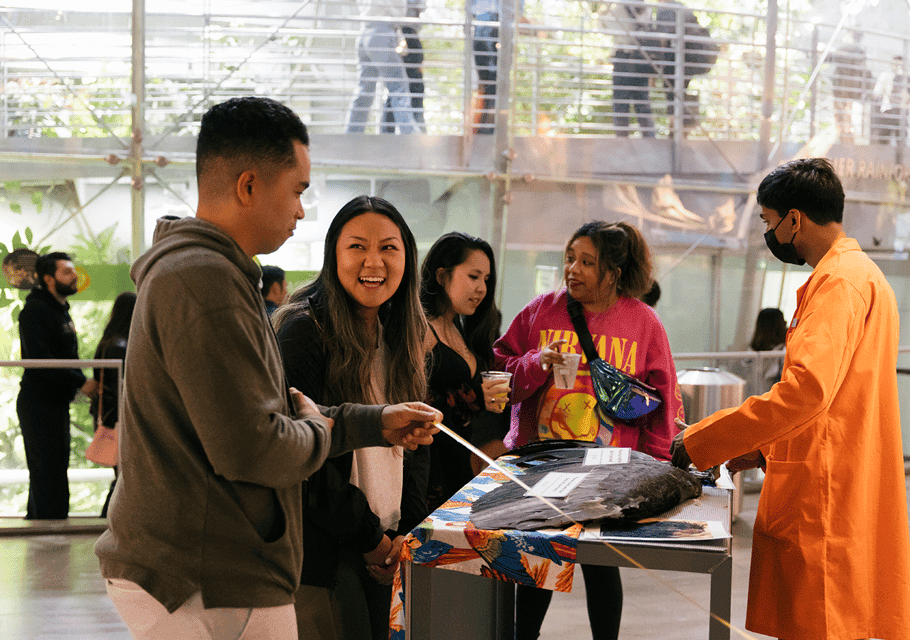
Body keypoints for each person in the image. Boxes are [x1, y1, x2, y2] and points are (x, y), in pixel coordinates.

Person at [94, 97, 440, 640]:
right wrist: (319, 430)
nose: (301, 210)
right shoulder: (205, 282)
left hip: (220, 571)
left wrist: (371, 422)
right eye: (298, 190)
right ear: (249, 185)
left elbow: (278, 417)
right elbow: (255, 447)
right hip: (206, 578)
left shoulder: (215, 274)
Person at [671, 158, 910, 640]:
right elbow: (839, 403)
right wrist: (760, 448)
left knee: (820, 622)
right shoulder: (863, 277)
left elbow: (808, 390)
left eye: (767, 221)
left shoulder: (839, 282)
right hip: (841, 478)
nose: (769, 232)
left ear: (794, 219)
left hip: (825, 497)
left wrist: (704, 440)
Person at [494, 220, 684, 640]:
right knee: (536, 563)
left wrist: (653, 466)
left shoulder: (643, 323)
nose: (572, 269)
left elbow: (663, 398)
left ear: (614, 272)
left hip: (609, 470)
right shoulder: (541, 310)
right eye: (569, 258)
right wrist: (532, 363)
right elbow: (502, 373)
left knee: (601, 565)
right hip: (541, 463)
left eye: (587, 262)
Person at [274, 195, 430, 640]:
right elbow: (304, 457)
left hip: (388, 541)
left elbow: (416, 447)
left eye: (388, 248)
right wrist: (371, 541)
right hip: (325, 550)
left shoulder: (401, 333)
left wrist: (405, 538)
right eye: (357, 247)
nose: (373, 262)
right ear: (333, 255)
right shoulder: (305, 331)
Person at [420, 231, 509, 511]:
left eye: (486, 279)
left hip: (459, 464)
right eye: (473, 276)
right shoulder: (421, 327)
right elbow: (415, 405)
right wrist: (476, 398)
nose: (481, 288)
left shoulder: (459, 326)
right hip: (427, 471)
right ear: (442, 275)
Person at [16, 251, 98, 520]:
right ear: (48, 279)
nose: (75, 276)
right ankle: (48, 535)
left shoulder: (59, 310)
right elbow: (42, 358)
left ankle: (50, 530)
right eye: (67, 272)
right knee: (47, 471)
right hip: (39, 402)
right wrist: (81, 382)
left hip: (55, 402)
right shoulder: (35, 311)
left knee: (53, 469)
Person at [89, 291, 137, 518]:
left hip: (109, 416)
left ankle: (109, 519)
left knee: (122, 476)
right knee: (125, 475)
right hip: (117, 418)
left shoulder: (110, 340)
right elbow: (117, 387)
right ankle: (110, 519)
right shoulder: (122, 345)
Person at [347, 0, 423, 134]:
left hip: (366, 31)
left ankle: (352, 135)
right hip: (382, 31)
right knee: (399, 88)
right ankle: (411, 135)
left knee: (364, 91)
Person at [601, 1, 658, 138]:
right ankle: (650, 139)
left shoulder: (617, 8)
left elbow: (604, 27)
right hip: (641, 58)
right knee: (642, 102)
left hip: (623, 57)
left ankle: (622, 140)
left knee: (621, 102)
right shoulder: (646, 9)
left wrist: (603, 10)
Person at [470, 0, 526, 134]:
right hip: (483, 21)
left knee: (498, 83)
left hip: (503, 22)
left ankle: (492, 128)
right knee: (487, 83)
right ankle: (486, 127)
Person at [382, 0, 426, 133]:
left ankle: (415, 133)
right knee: (403, 89)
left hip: (407, 34)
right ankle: (392, 134)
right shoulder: (403, 30)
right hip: (402, 34)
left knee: (407, 90)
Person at [829, 31, 872, 144]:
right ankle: (847, 137)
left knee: (842, 112)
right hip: (852, 88)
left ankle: (844, 136)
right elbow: (866, 71)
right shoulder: (860, 50)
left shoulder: (844, 48)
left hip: (844, 86)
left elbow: (829, 57)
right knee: (847, 113)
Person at [871, 55, 907, 145]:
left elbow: (876, 93)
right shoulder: (906, 76)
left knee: (883, 140)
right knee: (901, 141)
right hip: (902, 112)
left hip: (888, 110)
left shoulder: (885, 74)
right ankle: (900, 158)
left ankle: (883, 158)